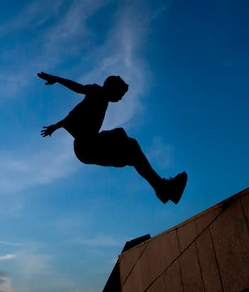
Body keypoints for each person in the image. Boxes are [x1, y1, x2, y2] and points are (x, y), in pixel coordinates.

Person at [38, 71, 187, 204]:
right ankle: (162, 188)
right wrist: (56, 79)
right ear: (112, 88)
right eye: (120, 94)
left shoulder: (100, 99)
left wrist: (55, 127)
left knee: (122, 136)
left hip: (89, 144)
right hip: (86, 147)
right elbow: (78, 88)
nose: (120, 99)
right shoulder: (97, 92)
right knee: (131, 146)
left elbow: (69, 119)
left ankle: (160, 187)